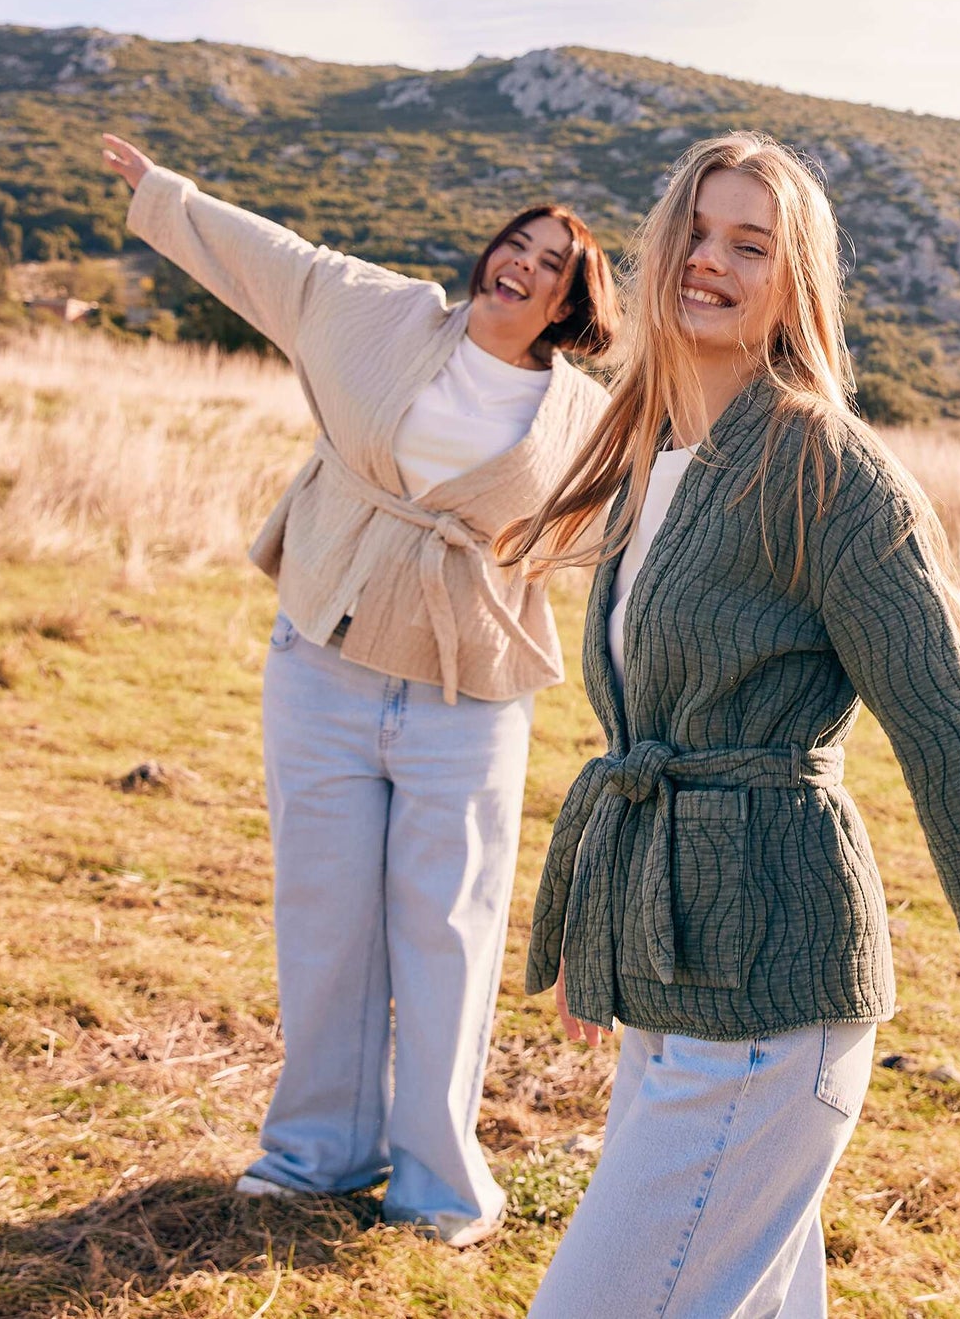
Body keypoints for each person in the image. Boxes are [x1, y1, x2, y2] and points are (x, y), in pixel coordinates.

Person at [496, 131, 960, 1316]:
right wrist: (596, 936)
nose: (711, 262)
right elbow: (641, 744)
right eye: (698, 233)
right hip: (668, 975)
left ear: (793, 282)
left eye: (750, 245)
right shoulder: (654, 453)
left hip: (771, 997)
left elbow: (945, 732)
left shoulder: (825, 467)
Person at [100, 133, 618, 1247]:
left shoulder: (586, 418)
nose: (517, 264)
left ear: (570, 306)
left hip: (465, 695)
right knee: (325, 919)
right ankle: (312, 1156)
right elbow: (275, 261)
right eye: (513, 243)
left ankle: (438, 1187)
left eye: (549, 264)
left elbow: (627, 516)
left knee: (448, 930)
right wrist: (167, 197)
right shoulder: (384, 316)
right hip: (322, 665)